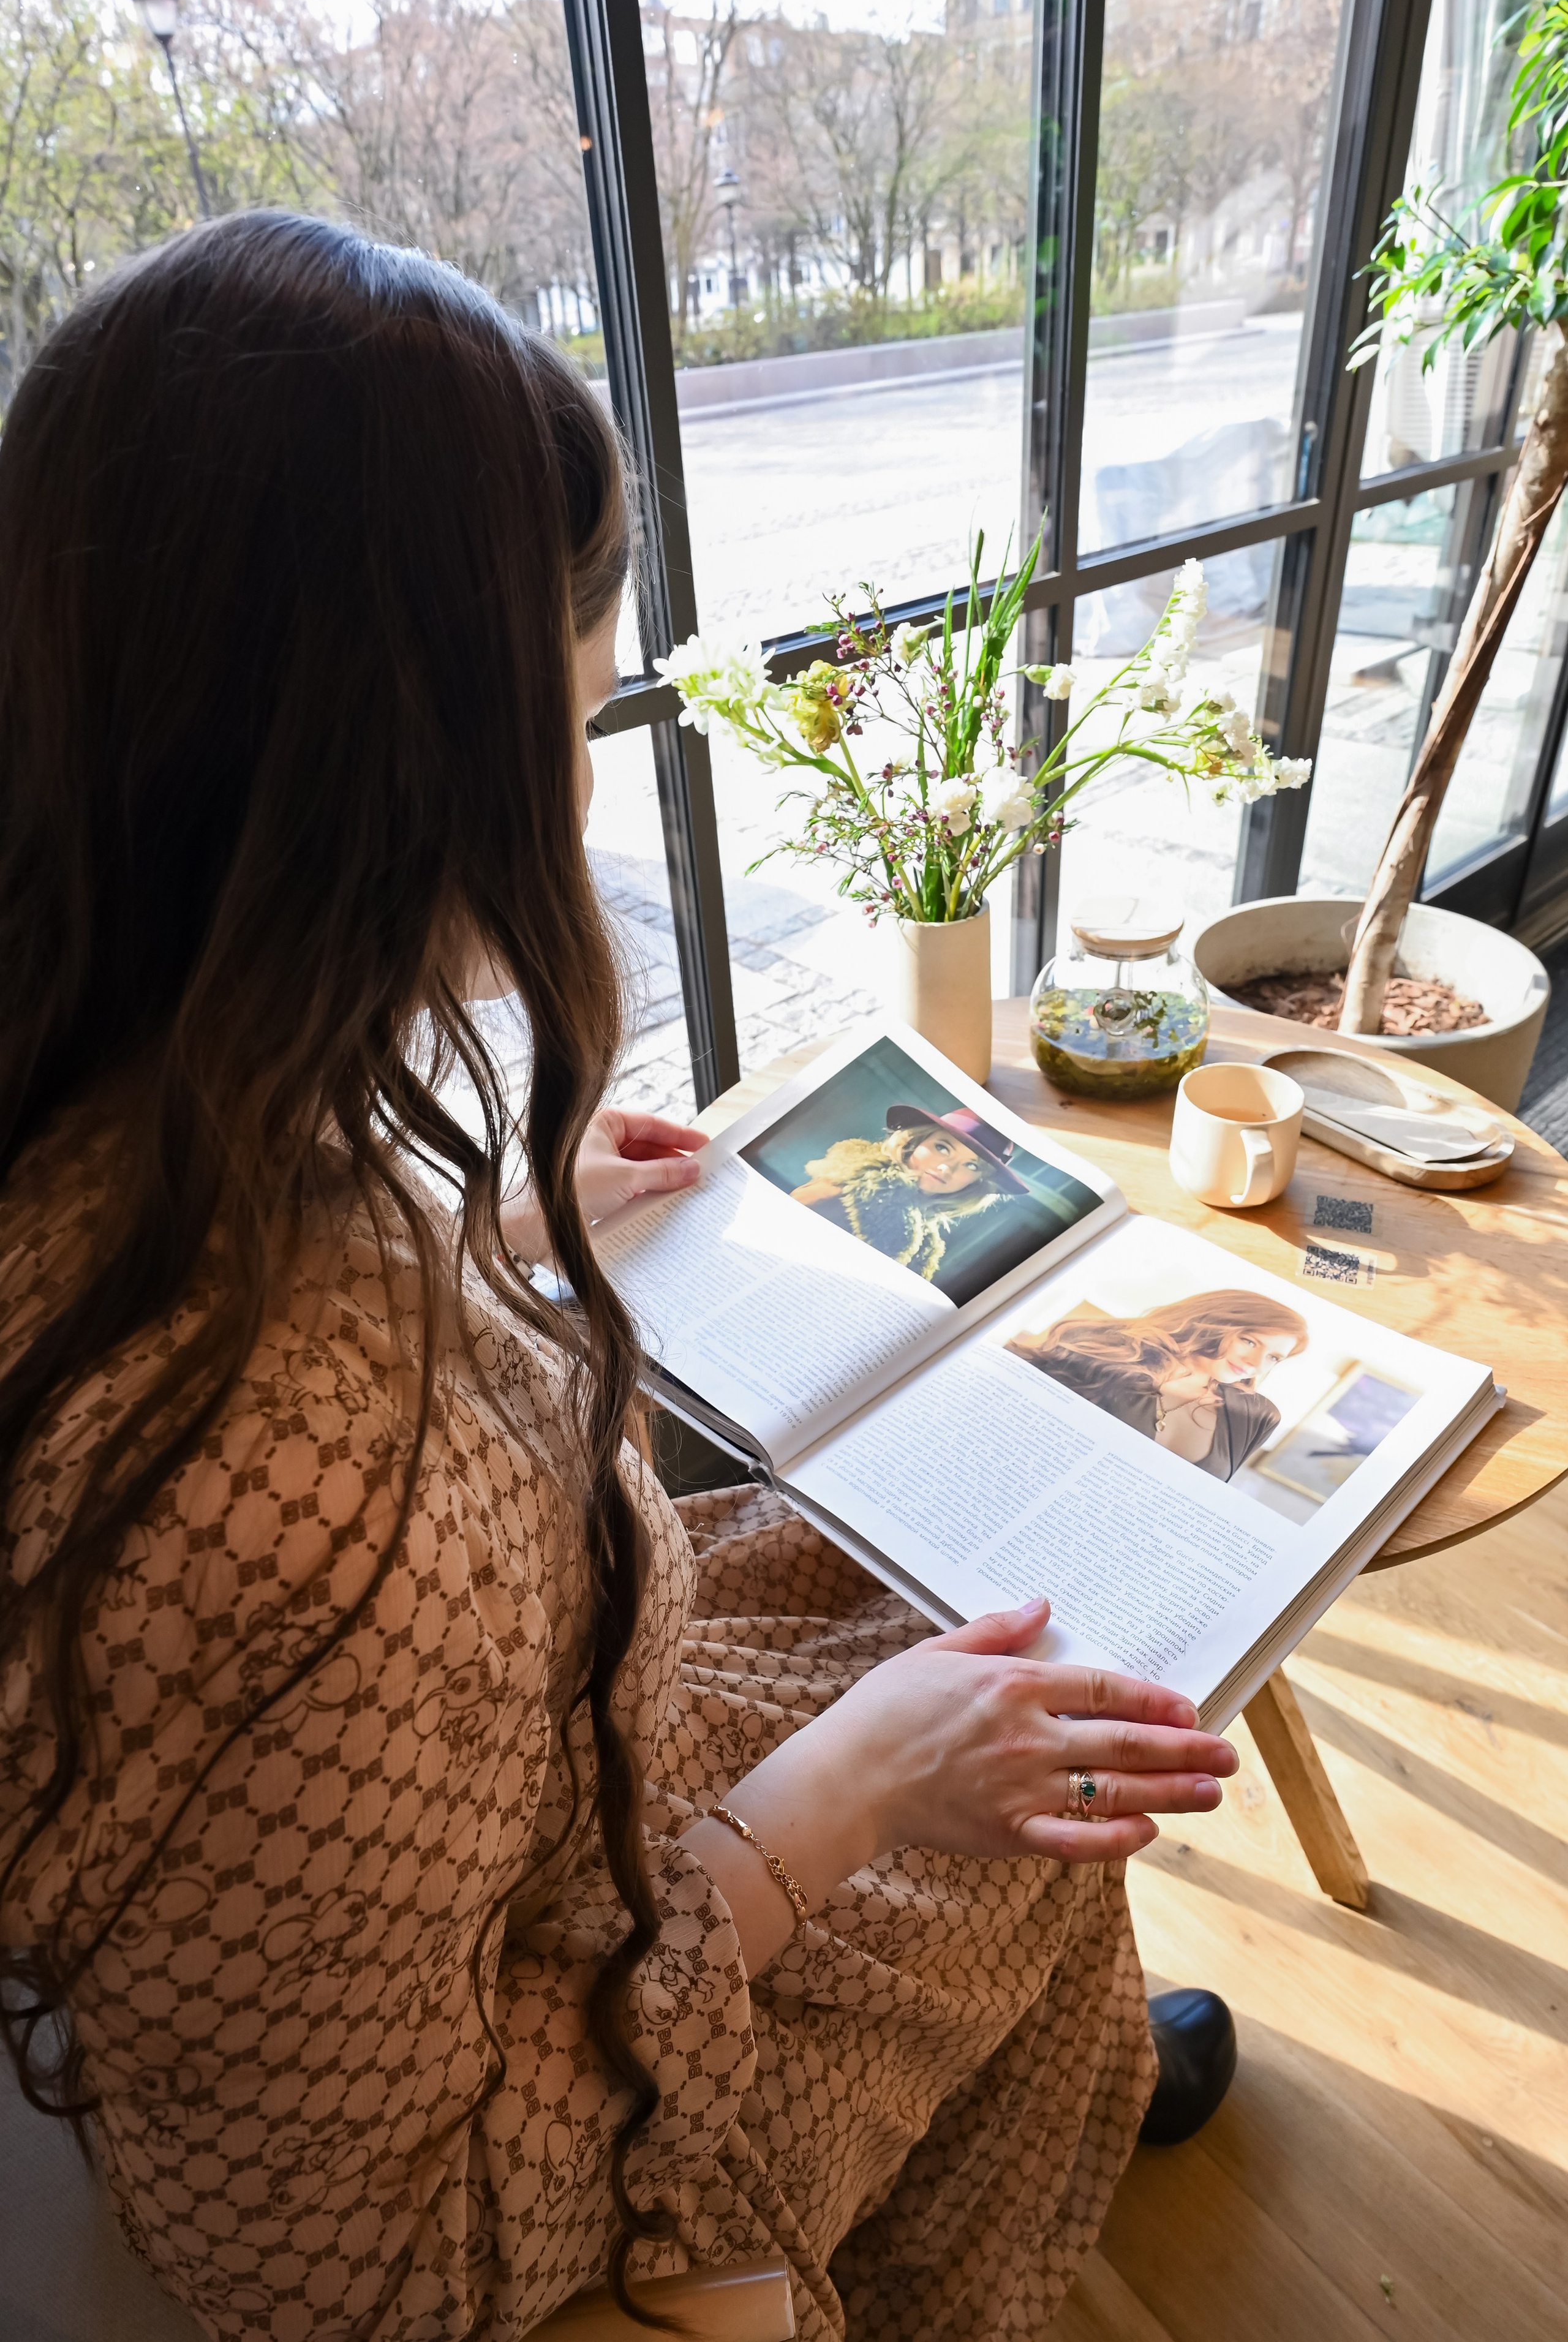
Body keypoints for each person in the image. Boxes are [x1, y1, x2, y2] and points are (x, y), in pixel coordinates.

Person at [0, 213, 1240, 2342]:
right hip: (547, 2056)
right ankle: (976, 2192)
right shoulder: (291, 1504)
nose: (578, 794)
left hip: (555, 1764)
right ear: (385, 789)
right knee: (1039, 1770)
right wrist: (842, 1794)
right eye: (565, 727)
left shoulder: (109, 1078)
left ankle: (1050, 2078)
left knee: (1002, 1643)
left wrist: (464, 1219)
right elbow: (365, 2265)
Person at [1011, 1292, 1310, 1482]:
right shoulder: (1104, 1352)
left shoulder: (1254, 1416)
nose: (1256, 1362)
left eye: (1273, 1357)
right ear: (1213, 1322)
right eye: (1249, 1341)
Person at [789, 1104, 1028, 1290]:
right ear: (914, 1141)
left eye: (972, 1166)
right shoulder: (840, 1193)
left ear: (977, 1183)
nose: (946, 1169)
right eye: (943, 1148)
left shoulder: (923, 1237)